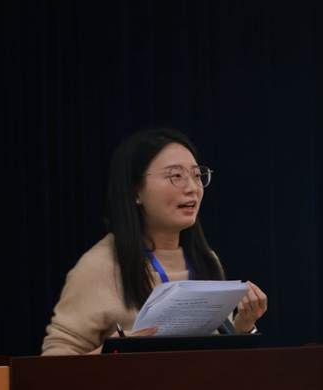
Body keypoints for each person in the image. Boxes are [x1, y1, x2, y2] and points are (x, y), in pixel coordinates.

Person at [41, 128, 267, 355]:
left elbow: (213, 358)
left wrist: (241, 328)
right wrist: (113, 353)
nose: (192, 188)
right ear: (135, 191)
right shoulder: (100, 266)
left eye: (197, 175)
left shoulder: (206, 259)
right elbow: (53, 363)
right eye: (175, 176)